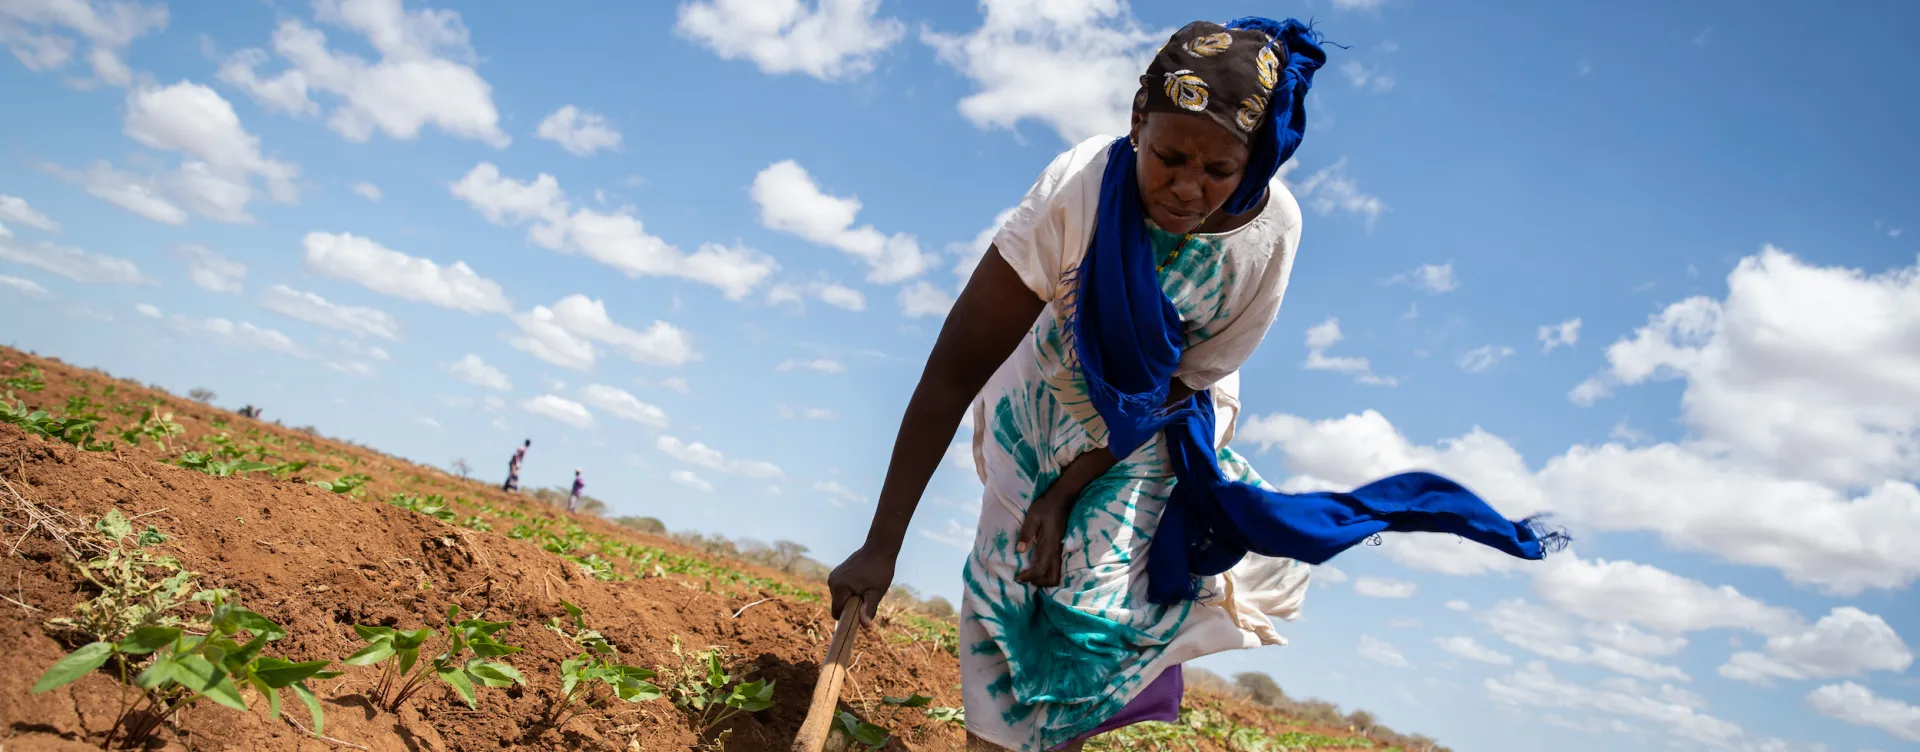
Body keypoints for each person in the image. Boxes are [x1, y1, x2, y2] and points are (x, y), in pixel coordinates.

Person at [826, 18, 1563, 752]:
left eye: (1218, 172)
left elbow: (1177, 388)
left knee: (1090, 617)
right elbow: (956, 367)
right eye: (1170, 158)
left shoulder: (1267, 237)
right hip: (1043, 393)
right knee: (1011, 598)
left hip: (1157, 419)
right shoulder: (1079, 190)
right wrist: (881, 545)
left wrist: (1069, 492)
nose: (1187, 189)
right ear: (1137, 123)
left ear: (1256, 159)